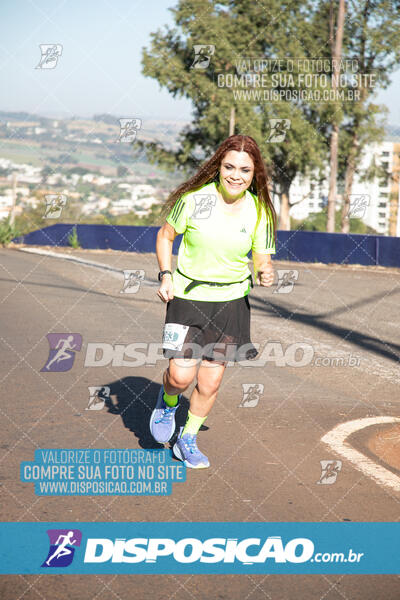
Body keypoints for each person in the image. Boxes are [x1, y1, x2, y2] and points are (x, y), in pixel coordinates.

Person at [149, 134, 277, 469]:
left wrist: (266, 271)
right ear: (218, 167)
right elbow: (165, 236)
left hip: (231, 302)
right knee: (179, 375)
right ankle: (168, 401)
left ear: (255, 174)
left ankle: (187, 439)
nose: (236, 175)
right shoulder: (194, 200)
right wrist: (165, 274)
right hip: (189, 298)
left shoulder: (259, 210)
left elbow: (262, 257)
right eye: (230, 167)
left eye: (245, 170)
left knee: (210, 380)